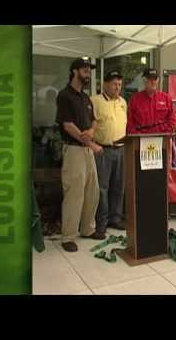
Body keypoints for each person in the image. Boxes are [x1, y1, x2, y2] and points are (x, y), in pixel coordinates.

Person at [55, 57, 104, 252]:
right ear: (75, 71)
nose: (88, 73)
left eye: (89, 70)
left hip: (86, 150)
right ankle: (68, 236)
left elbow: (93, 122)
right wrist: (91, 143)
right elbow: (68, 126)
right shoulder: (64, 95)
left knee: (93, 191)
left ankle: (87, 229)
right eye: (85, 70)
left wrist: (91, 131)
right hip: (74, 150)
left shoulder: (86, 98)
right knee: (74, 193)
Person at [90, 71, 128, 237]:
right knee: (103, 188)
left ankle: (116, 218)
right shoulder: (95, 101)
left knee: (119, 187)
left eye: (120, 84)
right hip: (103, 150)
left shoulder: (123, 102)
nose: (117, 87)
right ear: (105, 84)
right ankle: (101, 223)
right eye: (114, 84)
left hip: (122, 149)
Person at [126, 68, 176, 134]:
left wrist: (164, 135)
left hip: (162, 140)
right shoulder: (134, 100)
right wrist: (139, 137)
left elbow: (172, 121)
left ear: (158, 80)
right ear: (144, 80)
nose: (153, 82)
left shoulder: (167, 99)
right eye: (150, 79)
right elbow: (130, 125)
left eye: (155, 79)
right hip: (141, 140)